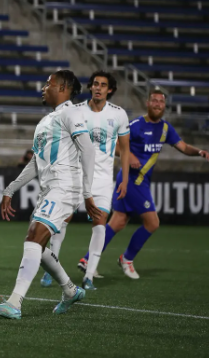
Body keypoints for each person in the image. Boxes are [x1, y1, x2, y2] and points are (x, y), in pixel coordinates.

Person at [0, 70, 98, 319]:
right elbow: (36, 161)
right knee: (39, 245)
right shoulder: (47, 121)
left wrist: (87, 192)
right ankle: (70, 290)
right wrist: (11, 188)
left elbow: (87, 149)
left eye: (49, 84)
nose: (44, 87)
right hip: (49, 189)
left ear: (63, 88)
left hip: (64, 186)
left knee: (34, 238)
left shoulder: (71, 112)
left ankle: (14, 303)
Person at [80, 89, 209, 280]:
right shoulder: (136, 125)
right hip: (133, 180)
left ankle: (87, 260)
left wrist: (198, 152)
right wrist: (129, 155)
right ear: (147, 104)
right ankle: (127, 259)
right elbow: (115, 144)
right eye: (154, 101)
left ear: (164, 106)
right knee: (152, 222)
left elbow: (183, 147)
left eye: (161, 102)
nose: (157, 104)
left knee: (118, 222)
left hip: (141, 181)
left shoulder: (165, 129)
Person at [47, 71, 129, 290]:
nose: (98, 88)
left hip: (102, 179)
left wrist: (125, 178)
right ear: (90, 87)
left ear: (110, 90)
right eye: (95, 84)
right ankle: (51, 267)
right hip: (75, 174)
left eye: (103, 85)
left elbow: (125, 149)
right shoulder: (76, 111)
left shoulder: (119, 114)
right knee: (62, 219)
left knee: (100, 225)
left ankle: (89, 276)